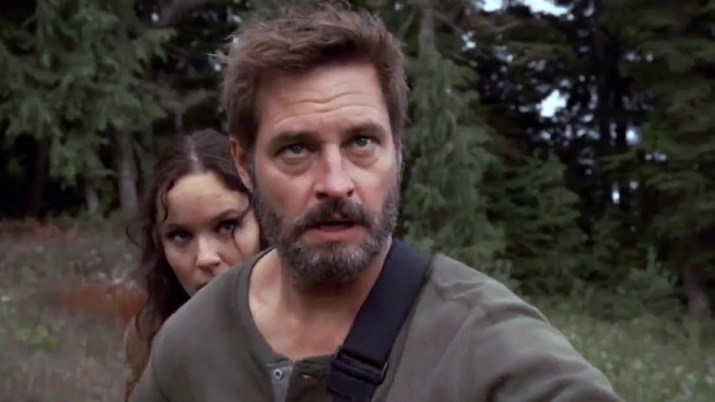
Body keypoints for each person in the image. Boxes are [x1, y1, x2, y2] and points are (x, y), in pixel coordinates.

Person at [129, 3, 624, 402]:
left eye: (361, 142)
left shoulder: (483, 344)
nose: (336, 183)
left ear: (397, 150)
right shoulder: (191, 343)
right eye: (296, 149)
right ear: (244, 164)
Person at [123, 129, 267, 400]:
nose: (205, 257)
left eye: (227, 226)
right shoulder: (150, 333)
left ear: (264, 221)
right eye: (180, 236)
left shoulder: (321, 321)